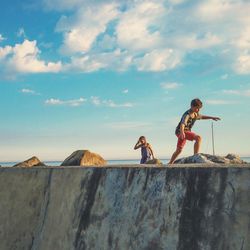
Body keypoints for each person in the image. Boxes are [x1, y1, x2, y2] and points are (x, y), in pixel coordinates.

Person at [169, 98, 221, 164]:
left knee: (179, 150)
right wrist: (182, 132)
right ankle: (195, 156)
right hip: (181, 131)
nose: (198, 110)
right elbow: (182, 123)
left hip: (184, 132)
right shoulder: (187, 114)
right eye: (197, 108)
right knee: (198, 138)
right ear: (192, 106)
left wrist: (212, 117)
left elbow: (202, 117)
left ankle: (170, 163)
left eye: (199, 108)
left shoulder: (195, 114)